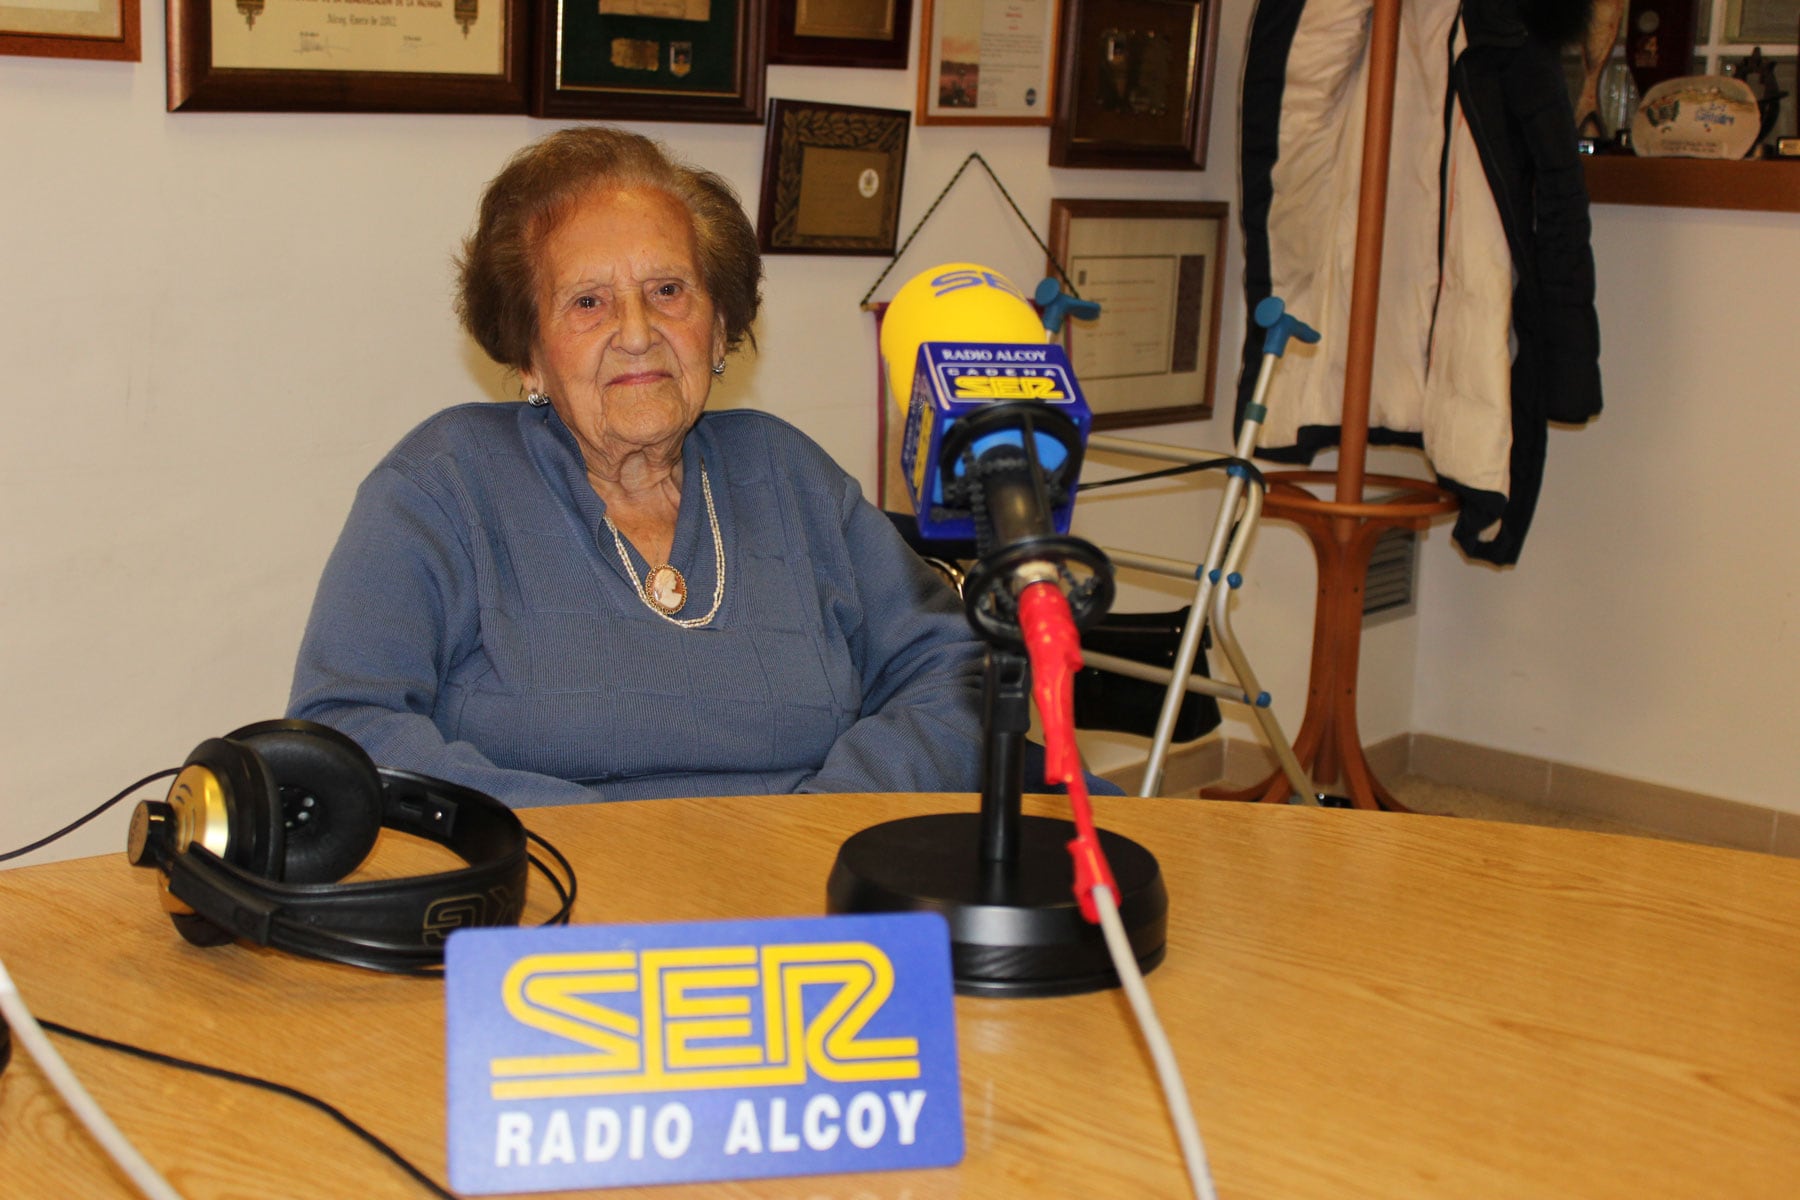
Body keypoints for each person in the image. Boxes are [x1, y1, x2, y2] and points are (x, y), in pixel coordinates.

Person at [287, 126, 1001, 807]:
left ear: (719, 326)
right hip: (554, 899)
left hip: (804, 895)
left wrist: (825, 822)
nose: (636, 333)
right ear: (530, 353)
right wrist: (597, 848)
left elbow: (954, 671)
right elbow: (350, 722)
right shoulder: (443, 483)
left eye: (668, 291)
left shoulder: (788, 475)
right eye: (588, 302)